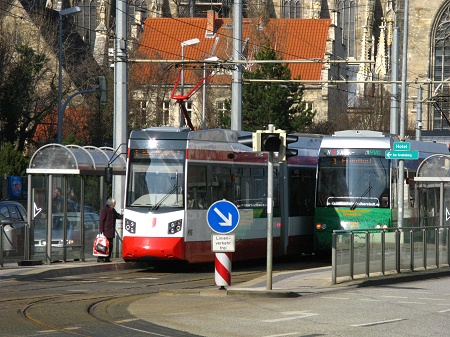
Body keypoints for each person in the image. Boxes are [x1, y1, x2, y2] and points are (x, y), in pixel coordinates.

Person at [98, 198, 123, 262]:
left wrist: (124, 216)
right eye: (114, 203)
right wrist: (101, 230)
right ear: (110, 204)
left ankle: (107, 258)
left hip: (110, 231)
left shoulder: (112, 210)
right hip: (105, 231)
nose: (115, 204)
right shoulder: (105, 210)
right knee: (103, 244)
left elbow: (117, 215)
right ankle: (100, 258)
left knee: (110, 245)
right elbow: (102, 221)